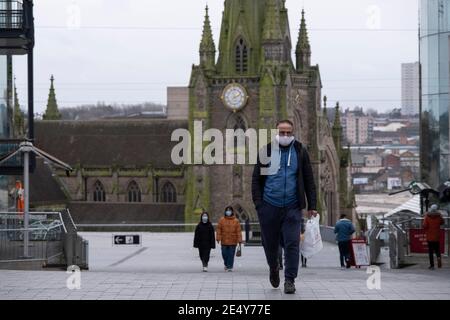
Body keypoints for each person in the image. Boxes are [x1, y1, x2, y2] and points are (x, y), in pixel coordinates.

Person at [252, 119, 317, 294]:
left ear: (293, 133)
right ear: (277, 132)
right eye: (282, 132)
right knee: (270, 245)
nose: (285, 136)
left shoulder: (300, 151)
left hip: (292, 206)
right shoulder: (266, 151)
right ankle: (274, 267)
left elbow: (309, 180)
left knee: (292, 243)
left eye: (288, 132)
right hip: (269, 205)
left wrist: (312, 204)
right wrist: (259, 204)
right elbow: (256, 180)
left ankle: (290, 280)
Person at [216, 206, 242, 272]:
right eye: (227, 210)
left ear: (232, 212)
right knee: (224, 253)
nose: (228, 212)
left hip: (233, 241)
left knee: (231, 254)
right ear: (225, 211)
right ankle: (226, 264)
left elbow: (238, 231)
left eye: (229, 210)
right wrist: (218, 237)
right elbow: (219, 229)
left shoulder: (236, 221)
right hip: (224, 240)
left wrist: (239, 240)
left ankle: (230, 266)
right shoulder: (221, 220)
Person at [423, 204, 445, 270]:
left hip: (429, 236)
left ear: (430, 208)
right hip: (436, 236)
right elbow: (442, 222)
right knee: (437, 249)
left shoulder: (427, 216)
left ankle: (432, 266)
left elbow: (424, 225)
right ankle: (438, 258)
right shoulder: (439, 215)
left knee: (430, 251)